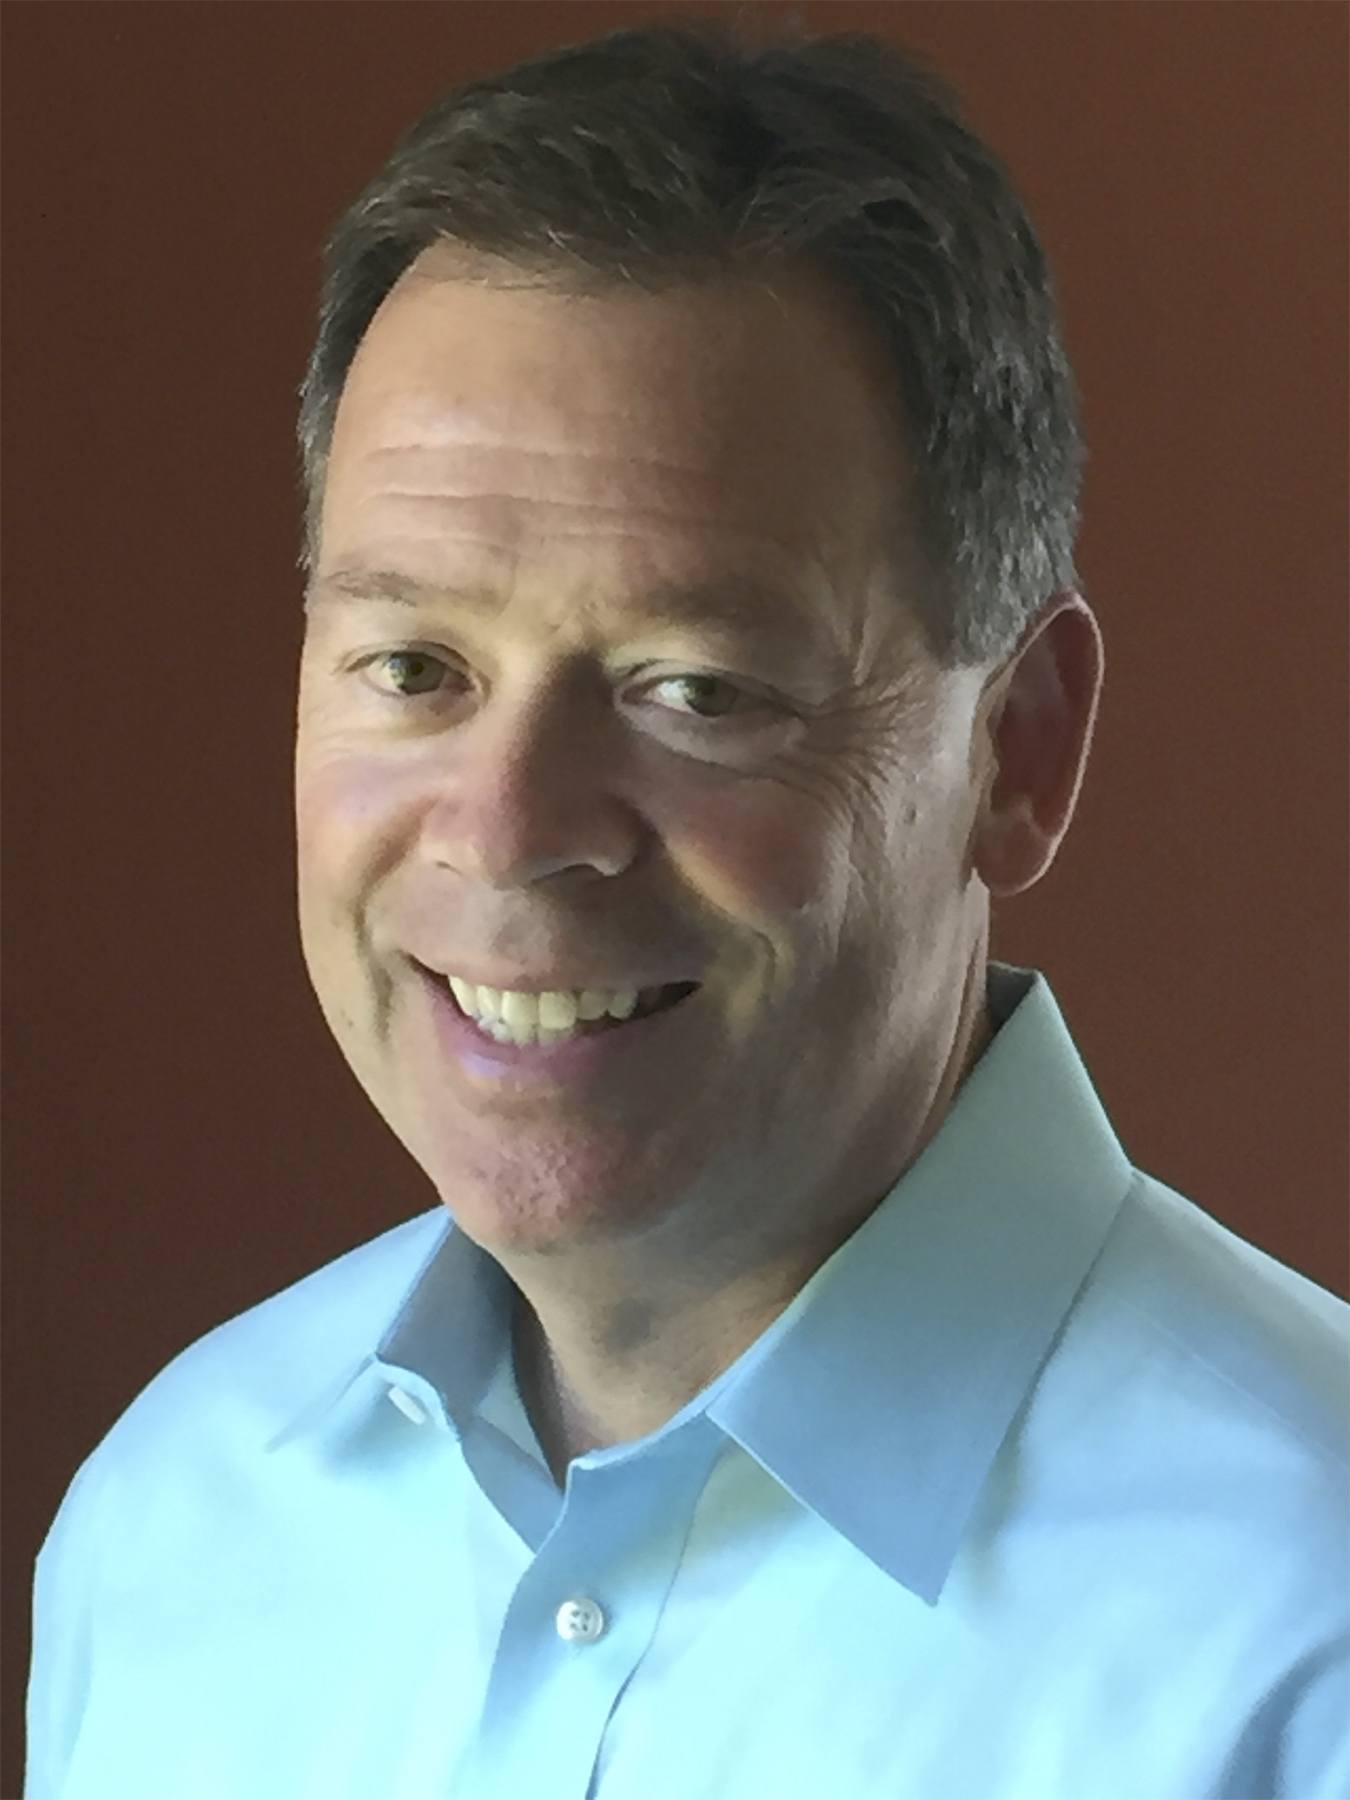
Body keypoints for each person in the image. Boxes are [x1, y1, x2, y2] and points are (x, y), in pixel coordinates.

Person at [26, 19, 1348, 1800]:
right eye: (413, 665)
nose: (504, 835)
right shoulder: (175, 1528)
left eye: (694, 689)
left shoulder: (1300, 1631)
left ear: (1014, 752)